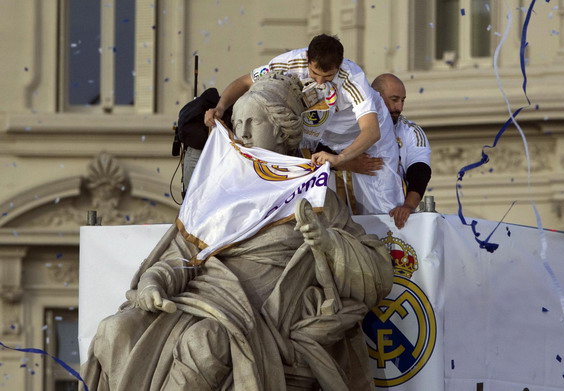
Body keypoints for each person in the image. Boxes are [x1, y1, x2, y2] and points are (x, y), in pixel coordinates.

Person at [80, 72, 393, 391]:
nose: (240, 133)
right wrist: (154, 282)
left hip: (265, 315)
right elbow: (185, 256)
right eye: (237, 122)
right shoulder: (220, 190)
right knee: (115, 330)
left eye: (252, 123)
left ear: (282, 130)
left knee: (204, 342)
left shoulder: (315, 194)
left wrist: (330, 243)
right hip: (200, 300)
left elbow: (378, 274)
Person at [205, 34, 405, 217]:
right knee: (320, 205)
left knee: (382, 208)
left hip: (367, 137)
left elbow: (371, 131)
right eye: (314, 73)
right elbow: (245, 82)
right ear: (307, 58)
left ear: (340, 65)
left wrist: (340, 158)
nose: (319, 82)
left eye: (328, 77)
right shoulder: (288, 62)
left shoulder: (353, 78)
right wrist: (220, 107)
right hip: (322, 132)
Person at [371, 73, 432, 229]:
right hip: (352, 217)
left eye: (402, 100)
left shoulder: (411, 131)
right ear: (375, 97)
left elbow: (420, 170)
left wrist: (408, 207)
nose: (399, 107)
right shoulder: (351, 126)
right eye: (394, 100)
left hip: (393, 218)